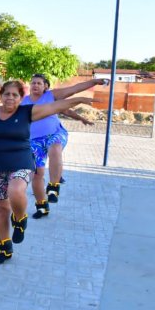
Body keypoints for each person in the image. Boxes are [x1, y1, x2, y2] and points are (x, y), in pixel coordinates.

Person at [0, 80, 93, 264]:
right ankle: (5, 247)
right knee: (0, 209)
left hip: (21, 162)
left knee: (15, 191)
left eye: (15, 94)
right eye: (6, 94)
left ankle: (20, 218)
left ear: (20, 97)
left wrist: (78, 99)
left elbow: (56, 106)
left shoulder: (27, 112)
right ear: (0, 95)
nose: (10, 97)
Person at [22, 74, 102, 218]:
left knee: (55, 147)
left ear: (45, 86)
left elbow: (74, 90)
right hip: (35, 141)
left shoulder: (51, 96)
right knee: (36, 174)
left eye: (39, 83)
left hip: (55, 133)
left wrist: (94, 82)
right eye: (33, 83)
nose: (35, 85)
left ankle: (53, 187)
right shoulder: (23, 102)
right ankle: (42, 206)